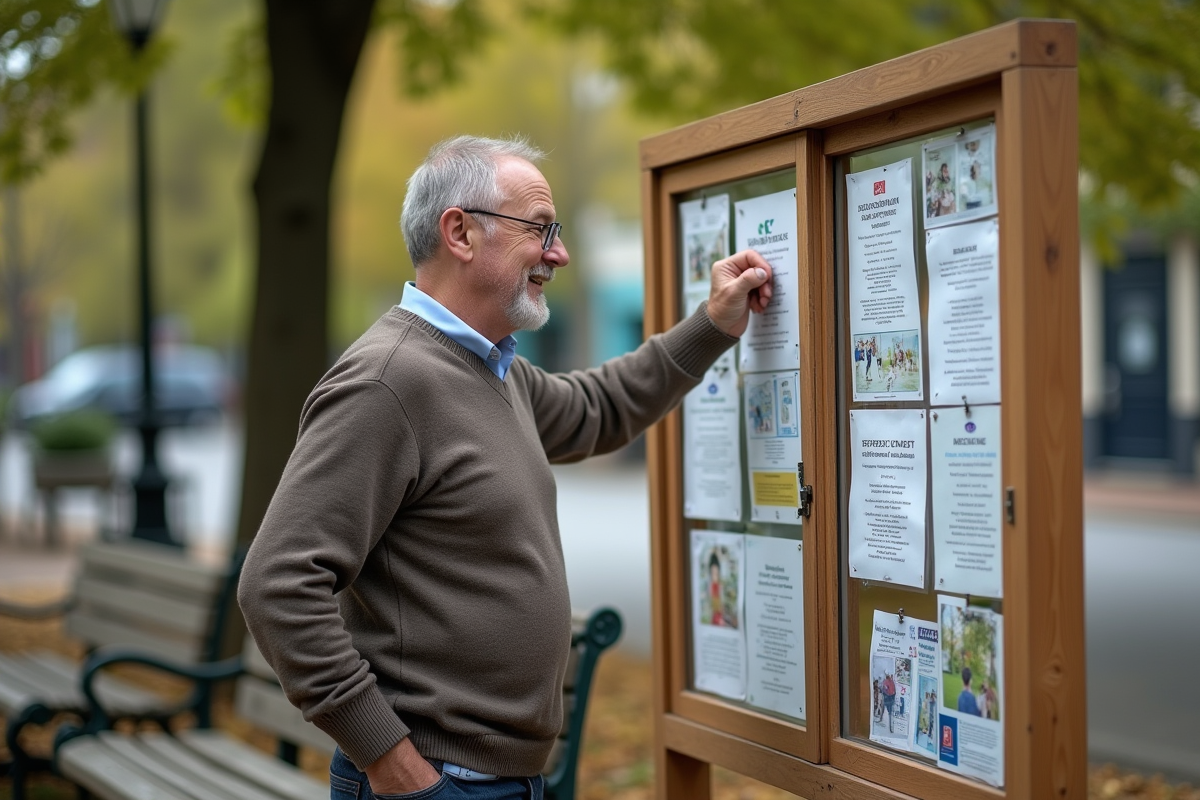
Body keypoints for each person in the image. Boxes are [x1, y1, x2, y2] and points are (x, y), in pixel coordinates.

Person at [237, 134, 773, 800]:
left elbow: (599, 408)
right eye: (540, 230)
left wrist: (713, 324)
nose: (560, 253)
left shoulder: (493, 370)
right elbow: (277, 584)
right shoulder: (388, 382)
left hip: (498, 781)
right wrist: (393, 764)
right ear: (459, 233)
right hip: (434, 785)